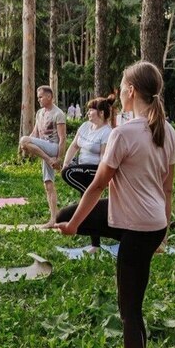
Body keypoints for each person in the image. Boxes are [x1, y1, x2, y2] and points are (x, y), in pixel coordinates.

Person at [56, 61, 175, 348]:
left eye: (122, 86)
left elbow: (97, 185)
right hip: (150, 223)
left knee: (129, 309)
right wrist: (164, 234)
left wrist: (74, 227)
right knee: (66, 213)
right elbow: (167, 188)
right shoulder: (168, 131)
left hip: (137, 229)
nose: (120, 92)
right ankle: (75, 222)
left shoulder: (124, 133)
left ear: (131, 91)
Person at [59, 95, 115, 250]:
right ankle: (95, 244)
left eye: (91, 110)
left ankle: (88, 200)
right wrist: (66, 163)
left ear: (101, 113)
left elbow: (104, 157)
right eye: (88, 110)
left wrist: (101, 178)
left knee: (69, 175)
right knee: (88, 204)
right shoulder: (84, 126)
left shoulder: (107, 132)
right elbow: (74, 146)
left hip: (94, 170)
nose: (88, 112)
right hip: (81, 168)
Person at [18, 85, 67, 227]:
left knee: (24, 139)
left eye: (40, 97)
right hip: (44, 149)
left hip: (53, 148)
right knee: (48, 184)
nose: (38, 99)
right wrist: (25, 146)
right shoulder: (39, 113)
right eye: (37, 97)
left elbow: (62, 138)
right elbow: (35, 133)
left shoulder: (58, 114)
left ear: (49, 97)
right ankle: (53, 218)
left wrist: (59, 158)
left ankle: (49, 160)